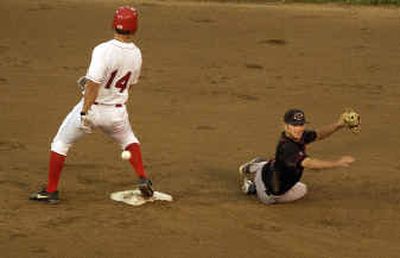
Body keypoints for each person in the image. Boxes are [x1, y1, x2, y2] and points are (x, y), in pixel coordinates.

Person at [30, 6, 153, 204]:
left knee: (61, 142)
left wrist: (84, 112)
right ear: (135, 28)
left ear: (114, 24)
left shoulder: (103, 50)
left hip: (93, 109)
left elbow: (94, 84)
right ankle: (142, 177)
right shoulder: (137, 54)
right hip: (117, 113)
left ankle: (51, 191)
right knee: (129, 139)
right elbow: (130, 82)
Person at [239, 108, 356, 205]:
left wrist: (339, 125)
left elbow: (319, 134)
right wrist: (336, 163)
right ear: (286, 126)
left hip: (266, 171)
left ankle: (253, 167)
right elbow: (309, 163)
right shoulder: (288, 147)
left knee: (276, 163)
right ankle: (252, 188)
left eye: (301, 124)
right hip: (269, 194)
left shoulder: (294, 135)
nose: (298, 128)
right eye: (294, 125)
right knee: (302, 189)